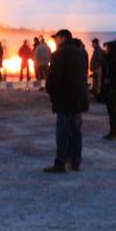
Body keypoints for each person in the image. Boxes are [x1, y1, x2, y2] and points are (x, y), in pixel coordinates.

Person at [44, 29, 89, 173]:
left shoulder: (59, 54)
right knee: (76, 132)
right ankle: (76, 161)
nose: (54, 41)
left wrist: (51, 91)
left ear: (62, 38)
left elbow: (54, 78)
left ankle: (60, 163)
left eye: (56, 38)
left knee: (62, 132)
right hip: (79, 99)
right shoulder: (80, 53)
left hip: (65, 99)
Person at [101, 39, 116, 140]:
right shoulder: (110, 59)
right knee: (111, 112)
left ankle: (115, 133)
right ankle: (112, 131)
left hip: (113, 89)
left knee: (113, 112)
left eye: (107, 48)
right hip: (110, 89)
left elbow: (115, 75)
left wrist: (109, 80)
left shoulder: (115, 61)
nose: (106, 50)